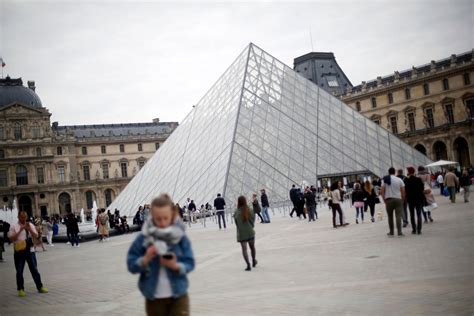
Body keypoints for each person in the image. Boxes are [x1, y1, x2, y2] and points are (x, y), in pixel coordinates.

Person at [127, 194, 195, 316]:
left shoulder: (180, 237)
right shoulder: (143, 239)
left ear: (172, 216)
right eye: (158, 219)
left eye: (165, 218)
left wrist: (176, 266)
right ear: (152, 217)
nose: (163, 223)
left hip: (178, 295)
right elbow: (131, 265)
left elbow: (190, 262)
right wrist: (145, 259)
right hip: (154, 298)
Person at [8, 211, 49, 297]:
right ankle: (20, 289)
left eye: (25, 217)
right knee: (19, 271)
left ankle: (40, 287)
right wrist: (20, 230)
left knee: (34, 270)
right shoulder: (13, 226)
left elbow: (36, 235)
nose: (23, 219)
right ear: (18, 217)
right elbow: (11, 238)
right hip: (19, 251)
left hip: (30, 251)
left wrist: (29, 229)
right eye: (22, 217)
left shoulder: (30, 225)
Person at [380, 167, 406, 237]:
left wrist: (384, 199)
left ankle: (391, 232)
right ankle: (399, 232)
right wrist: (403, 199)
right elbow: (403, 190)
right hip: (398, 199)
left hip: (388, 199)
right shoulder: (399, 179)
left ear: (388, 172)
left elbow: (382, 191)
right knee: (398, 216)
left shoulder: (385, 179)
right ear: (395, 172)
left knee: (390, 216)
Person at [233, 196, 257, 271]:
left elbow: (236, 223)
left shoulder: (236, 212)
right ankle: (253, 260)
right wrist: (251, 226)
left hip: (242, 233)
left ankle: (248, 265)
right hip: (250, 232)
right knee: (252, 247)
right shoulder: (249, 209)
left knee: (244, 250)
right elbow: (253, 219)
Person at [404, 167, 425, 235]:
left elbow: (405, 190)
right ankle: (419, 230)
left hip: (410, 200)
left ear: (408, 172)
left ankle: (414, 229)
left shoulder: (406, 180)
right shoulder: (418, 179)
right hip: (418, 199)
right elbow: (422, 188)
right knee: (419, 214)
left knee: (412, 215)